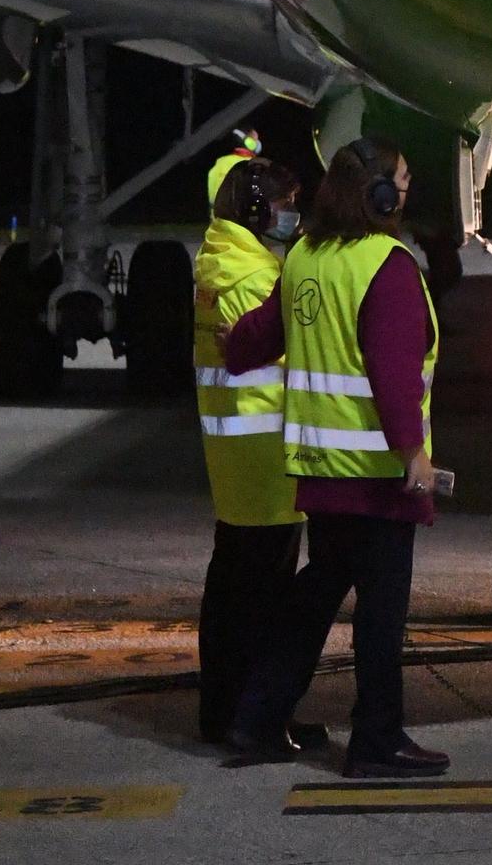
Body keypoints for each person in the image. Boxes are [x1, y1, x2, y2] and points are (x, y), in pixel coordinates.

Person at [221, 138, 449, 779]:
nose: (407, 190)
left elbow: (259, 339)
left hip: (321, 473)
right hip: (378, 476)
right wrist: (413, 455)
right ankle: (377, 742)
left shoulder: (306, 258)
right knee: (380, 616)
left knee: (319, 592)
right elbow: (394, 374)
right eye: (401, 181)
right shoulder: (388, 266)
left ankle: (259, 715)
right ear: (380, 197)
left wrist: (230, 344)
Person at [193, 156, 326, 752]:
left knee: (237, 593)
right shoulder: (249, 275)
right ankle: (252, 720)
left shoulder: (232, 260)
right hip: (264, 457)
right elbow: (296, 346)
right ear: (253, 211)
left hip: (247, 458)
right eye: (284, 204)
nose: (292, 215)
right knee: (259, 602)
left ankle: (229, 713)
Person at [205, 127, 261, 217]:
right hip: (240, 226)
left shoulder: (220, 162)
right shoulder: (253, 166)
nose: (258, 143)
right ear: (249, 143)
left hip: (217, 224)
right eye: (255, 140)